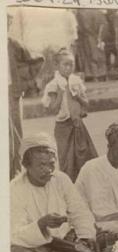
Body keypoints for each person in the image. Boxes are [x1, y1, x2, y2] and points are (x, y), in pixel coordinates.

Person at [11, 133, 98, 252]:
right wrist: (41, 224)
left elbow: (79, 211)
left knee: (97, 239)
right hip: (33, 244)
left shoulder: (61, 179)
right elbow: (15, 233)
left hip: (65, 239)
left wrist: (87, 235)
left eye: (51, 164)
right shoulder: (14, 189)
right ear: (26, 165)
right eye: (41, 165)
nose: (48, 170)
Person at [41, 48, 98, 182]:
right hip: (63, 127)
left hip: (78, 124)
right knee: (67, 159)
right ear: (57, 66)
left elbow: (86, 103)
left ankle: (86, 183)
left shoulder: (76, 81)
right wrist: (60, 94)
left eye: (71, 64)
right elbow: (53, 109)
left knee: (84, 156)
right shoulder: (53, 85)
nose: (68, 68)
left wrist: (78, 97)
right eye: (65, 64)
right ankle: (69, 185)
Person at [8, 12, 44, 180]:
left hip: (10, 93)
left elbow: (37, 60)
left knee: (14, 132)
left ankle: (13, 171)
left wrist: (26, 82)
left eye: (7, 22)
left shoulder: (13, 44)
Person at [75, 9, 107, 82]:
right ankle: (102, 74)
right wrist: (101, 36)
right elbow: (104, 25)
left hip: (88, 37)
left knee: (89, 55)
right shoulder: (99, 12)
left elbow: (81, 27)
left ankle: (93, 75)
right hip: (98, 36)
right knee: (99, 54)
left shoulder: (81, 12)